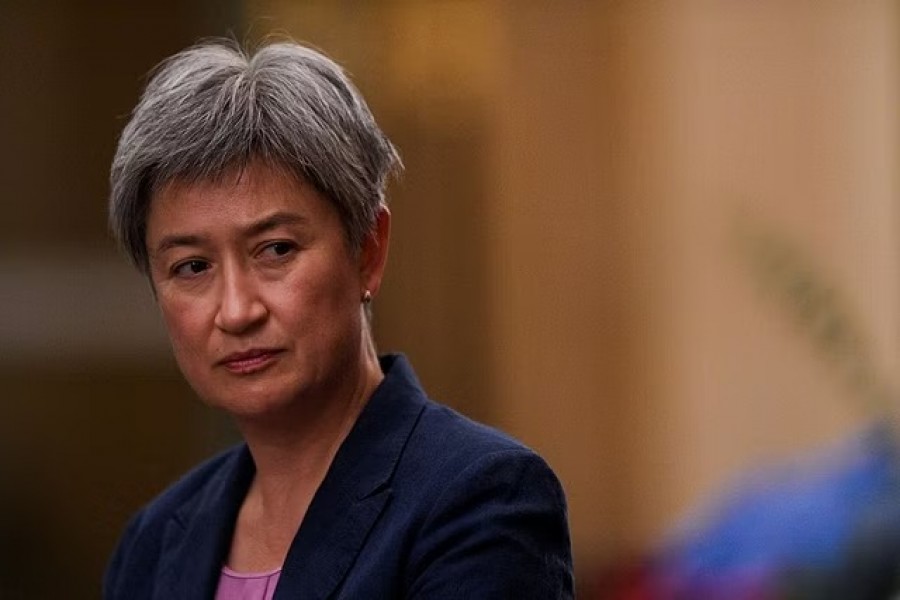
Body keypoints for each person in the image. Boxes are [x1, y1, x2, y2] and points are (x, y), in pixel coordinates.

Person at [102, 38, 573, 599]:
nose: (236, 310)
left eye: (275, 249)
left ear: (368, 250)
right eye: (192, 266)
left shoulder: (480, 500)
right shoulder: (154, 544)